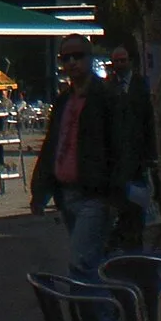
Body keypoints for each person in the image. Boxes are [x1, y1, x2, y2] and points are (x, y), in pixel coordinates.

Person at [32, 34, 126, 282]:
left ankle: (98, 313)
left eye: (78, 56)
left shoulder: (106, 97)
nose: (72, 62)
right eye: (66, 58)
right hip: (67, 195)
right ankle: (106, 309)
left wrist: (115, 194)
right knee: (91, 263)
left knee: (81, 263)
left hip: (95, 196)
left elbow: (119, 146)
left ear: (90, 58)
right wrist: (40, 191)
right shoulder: (64, 100)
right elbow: (53, 144)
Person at [107, 42, 154, 246]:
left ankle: (136, 240)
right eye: (116, 61)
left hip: (138, 156)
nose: (119, 64)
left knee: (138, 205)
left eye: (122, 60)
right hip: (117, 158)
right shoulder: (108, 87)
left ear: (130, 61)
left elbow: (149, 121)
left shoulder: (142, 85)